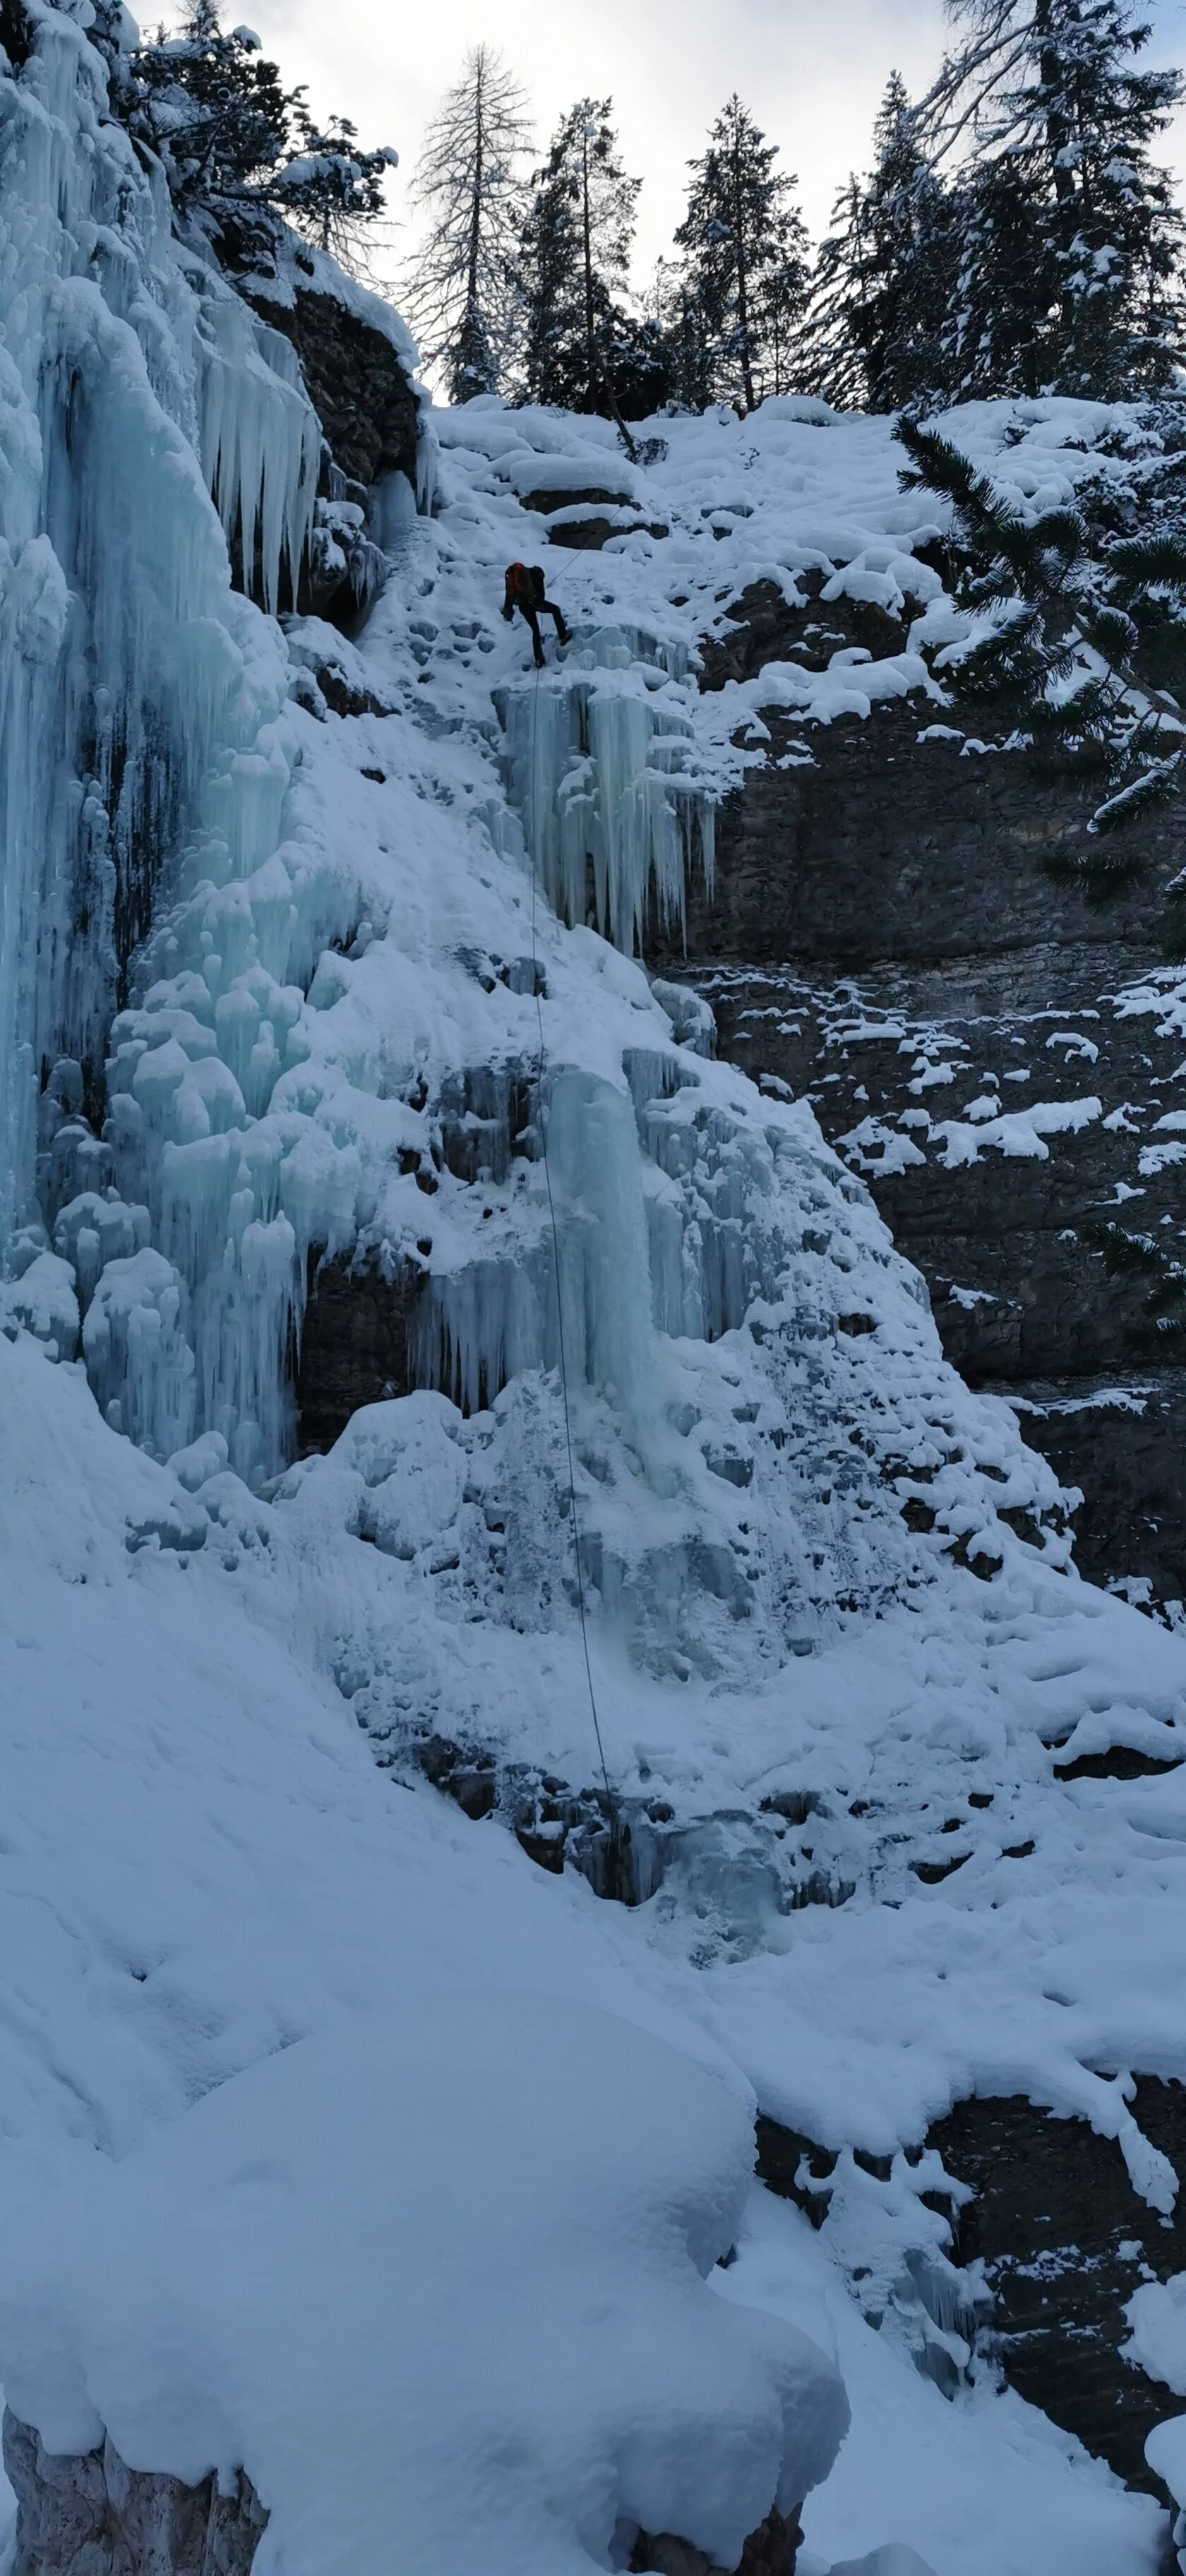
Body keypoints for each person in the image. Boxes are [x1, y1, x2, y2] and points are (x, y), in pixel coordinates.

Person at [502, 562, 570, 667]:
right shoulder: (537, 574)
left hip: (523, 607)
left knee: (536, 630)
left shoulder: (516, 578)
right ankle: (563, 636)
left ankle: (539, 660)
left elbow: (509, 596)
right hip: (534, 603)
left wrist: (508, 613)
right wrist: (539, 603)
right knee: (555, 610)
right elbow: (541, 595)